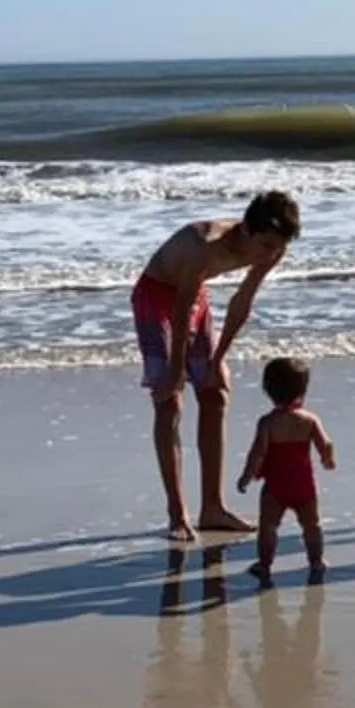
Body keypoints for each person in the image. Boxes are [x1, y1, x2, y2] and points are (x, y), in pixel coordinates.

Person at [131, 192, 302, 541]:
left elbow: (242, 303)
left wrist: (218, 359)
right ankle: (177, 513)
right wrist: (177, 370)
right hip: (157, 296)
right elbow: (179, 310)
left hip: (194, 298)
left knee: (215, 393)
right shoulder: (204, 244)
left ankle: (213, 508)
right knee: (169, 401)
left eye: (277, 247)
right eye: (266, 245)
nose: (270, 255)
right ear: (248, 230)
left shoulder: (274, 247)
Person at [237, 355, 336, 585]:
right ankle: (316, 561)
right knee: (312, 525)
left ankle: (264, 564)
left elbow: (257, 453)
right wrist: (327, 460)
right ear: (303, 389)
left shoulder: (268, 423)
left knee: (268, 526)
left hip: (276, 486)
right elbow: (326, 444)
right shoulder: (310, 420)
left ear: (267, 390)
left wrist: (247, 475)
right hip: (304, 484)